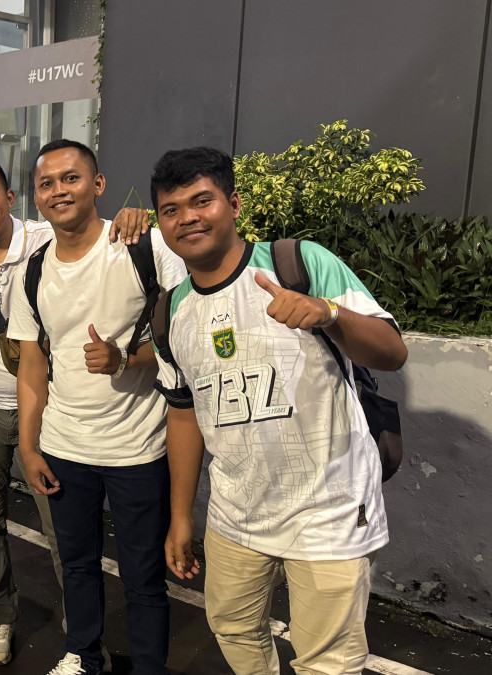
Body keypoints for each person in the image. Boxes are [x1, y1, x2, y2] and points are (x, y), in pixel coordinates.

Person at [152, 147, 408, 675]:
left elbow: (392, 351)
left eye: (202, 201)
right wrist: (180, 517)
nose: (188, 218)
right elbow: (184, 413)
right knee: (232, 627)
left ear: (234, 204)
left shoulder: (298, 263)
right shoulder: (169, 310)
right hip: (234, 512)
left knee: (327, 664)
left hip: (329, 509)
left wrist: (329, 314)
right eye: (171, 210)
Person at [0, 156, 151, 665]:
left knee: (62, 531)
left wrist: (136, 216)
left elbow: (100, 232)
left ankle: (81, 635)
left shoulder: (45, 237)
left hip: (49, 408)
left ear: (11, 197)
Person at [7, 140, 187, 675]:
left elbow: (186, 335)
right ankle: (84, 655)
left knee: (143, 576)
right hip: (65, 446)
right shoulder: (33, 270)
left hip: (139, 448)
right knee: (77, 565)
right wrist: (28, 446)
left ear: (98, 184)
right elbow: (32, 364)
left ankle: (150, 667)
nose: (59, 191)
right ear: (36, 196)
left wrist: (125, 359)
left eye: (71, 178)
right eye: (46, 183)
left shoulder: (144, 247)